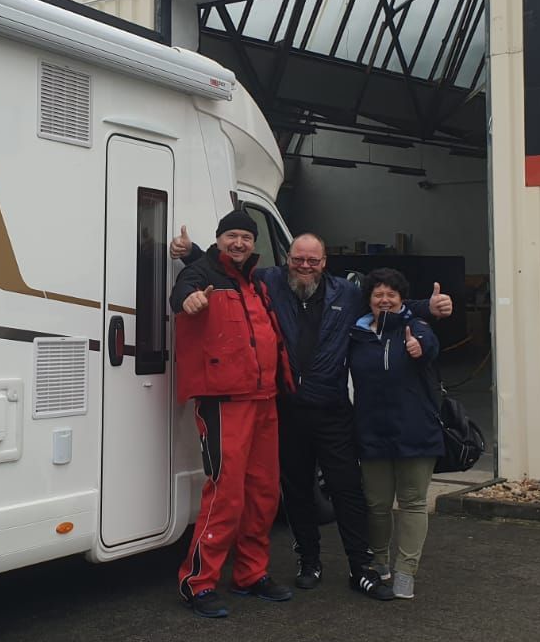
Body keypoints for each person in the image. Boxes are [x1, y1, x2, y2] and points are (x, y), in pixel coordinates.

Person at [171, 227, 452, 601]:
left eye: (312, 260)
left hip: (332, 406)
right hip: (286, 405)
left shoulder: (347, 293)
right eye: (298, 259)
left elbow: (384, 304)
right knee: (295, 490)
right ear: (287, 259)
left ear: (324, 263)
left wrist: (425, 308)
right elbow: (226, 267)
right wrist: (191, 255)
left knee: (346, 489)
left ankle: (360, 567)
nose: (304, 266)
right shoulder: (269, 281)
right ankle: (309, 561)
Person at [169, 210, 295, 619]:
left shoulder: (255, 281)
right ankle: (198, 583)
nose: (238, 243)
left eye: (245, 237)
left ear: (253, 244)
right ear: (219, 239)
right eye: (231, 236)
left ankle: (250, 574)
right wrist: (187, 299)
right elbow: (182, 294)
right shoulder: (201, 274)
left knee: (262, 493)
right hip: (224, 402)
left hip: (263, 399)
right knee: (225, 492)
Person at [348, 268, 445, 601]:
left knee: (413, 503)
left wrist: (420, 347)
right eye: (378, 294)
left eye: (392, 295)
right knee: (376, 504)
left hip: (416, 430)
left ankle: (406, 572)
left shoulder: (415, 327)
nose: (384, 300)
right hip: (371, 431)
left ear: (403, 300)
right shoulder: (357, 334)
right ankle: (379, 564)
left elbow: (429, 344)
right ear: (369, 300)